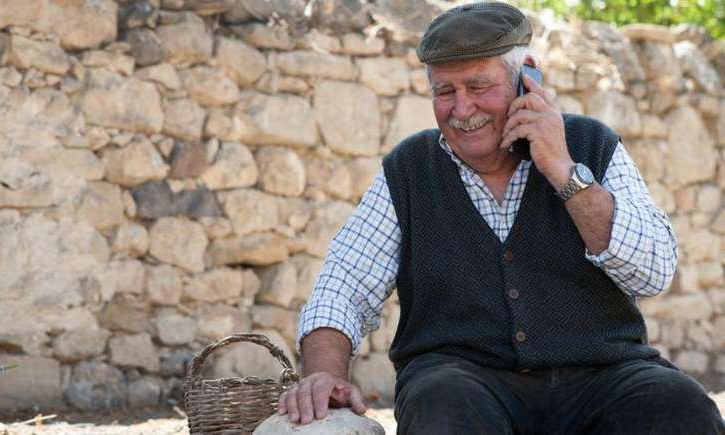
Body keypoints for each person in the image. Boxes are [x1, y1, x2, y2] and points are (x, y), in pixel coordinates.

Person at [279, 2, 725, 434]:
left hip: (601, 375)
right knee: (441, 407)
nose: (462, 109)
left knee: (679, 406)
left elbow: (653, 272)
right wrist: (322, 374)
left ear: (526, 76)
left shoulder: (592, 145)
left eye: (478, 87)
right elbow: (343, 285)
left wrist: (564, 173)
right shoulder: (411, 169)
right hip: (462, 380)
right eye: (444, 92)